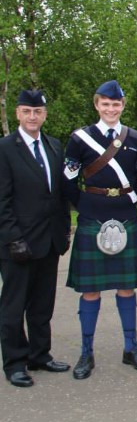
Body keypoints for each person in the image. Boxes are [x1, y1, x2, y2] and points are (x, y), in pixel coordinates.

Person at [63, 80, 137, 379]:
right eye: (105, 104)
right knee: (90, 290)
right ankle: (86, 354)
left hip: (124, 215)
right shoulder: (80, 139)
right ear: (97, 105)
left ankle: (131, 348)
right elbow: (67, 181)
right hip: (92, 216)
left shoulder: (136, 138)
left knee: (127, 288)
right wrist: (85, 205)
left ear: (122, 106)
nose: (111, 109)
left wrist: (133, 200)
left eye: (116, 105)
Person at [0, 89, 71, 387]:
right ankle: (15, 362)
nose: (32, 116)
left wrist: (65, 228)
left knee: (43, 304)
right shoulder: (5, 148)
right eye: (27, 111)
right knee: (14, 306)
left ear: (44, 114)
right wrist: (13, 237)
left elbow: (60, 195)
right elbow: (2, 201)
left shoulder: (54, 146)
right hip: (19, 242)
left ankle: (40, 354)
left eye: (38, 111)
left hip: (49, 240)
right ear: (17, 113)